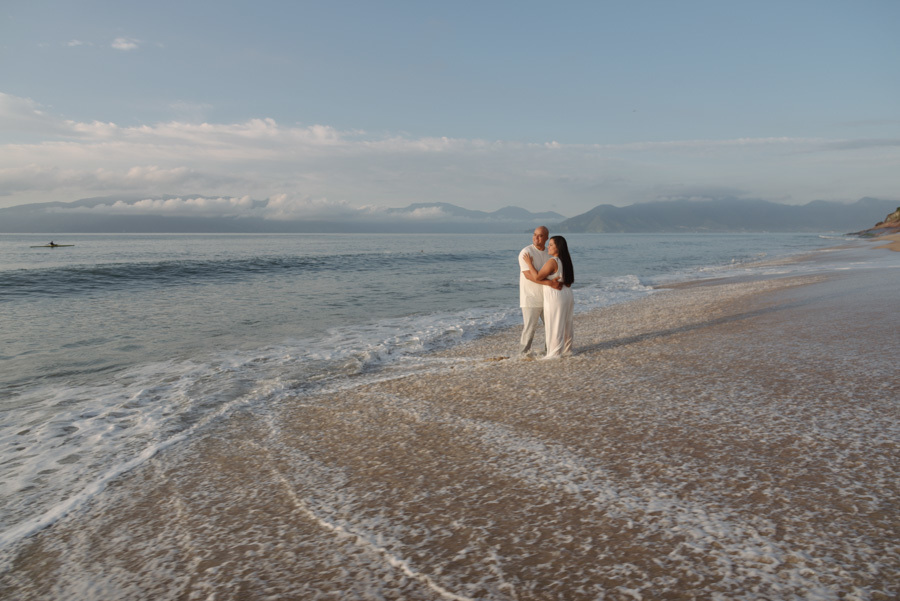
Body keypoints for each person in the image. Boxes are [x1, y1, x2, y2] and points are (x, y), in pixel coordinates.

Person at [522, 235, 574, 358]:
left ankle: (554, 354)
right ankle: (567, 351)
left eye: (551, 245)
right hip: (567, 294)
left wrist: (529, 263)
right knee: (566, 324)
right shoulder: (566, 261)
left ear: (558, 248)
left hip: (556, 296)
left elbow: (537, 277)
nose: (548, 247)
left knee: (555, 324)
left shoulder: (553, 261)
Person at [518, 226, 552, 356]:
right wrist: (549, 282)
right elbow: (529, 276)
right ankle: (522, 355)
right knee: (529, 329)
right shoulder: (526, 252)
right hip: (530, 298)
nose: (536, 238)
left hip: (548, 298)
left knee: (550, 328)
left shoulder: (550, 252)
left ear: (546, 238)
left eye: (540, 236)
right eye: (534, 234)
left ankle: (549, 352)